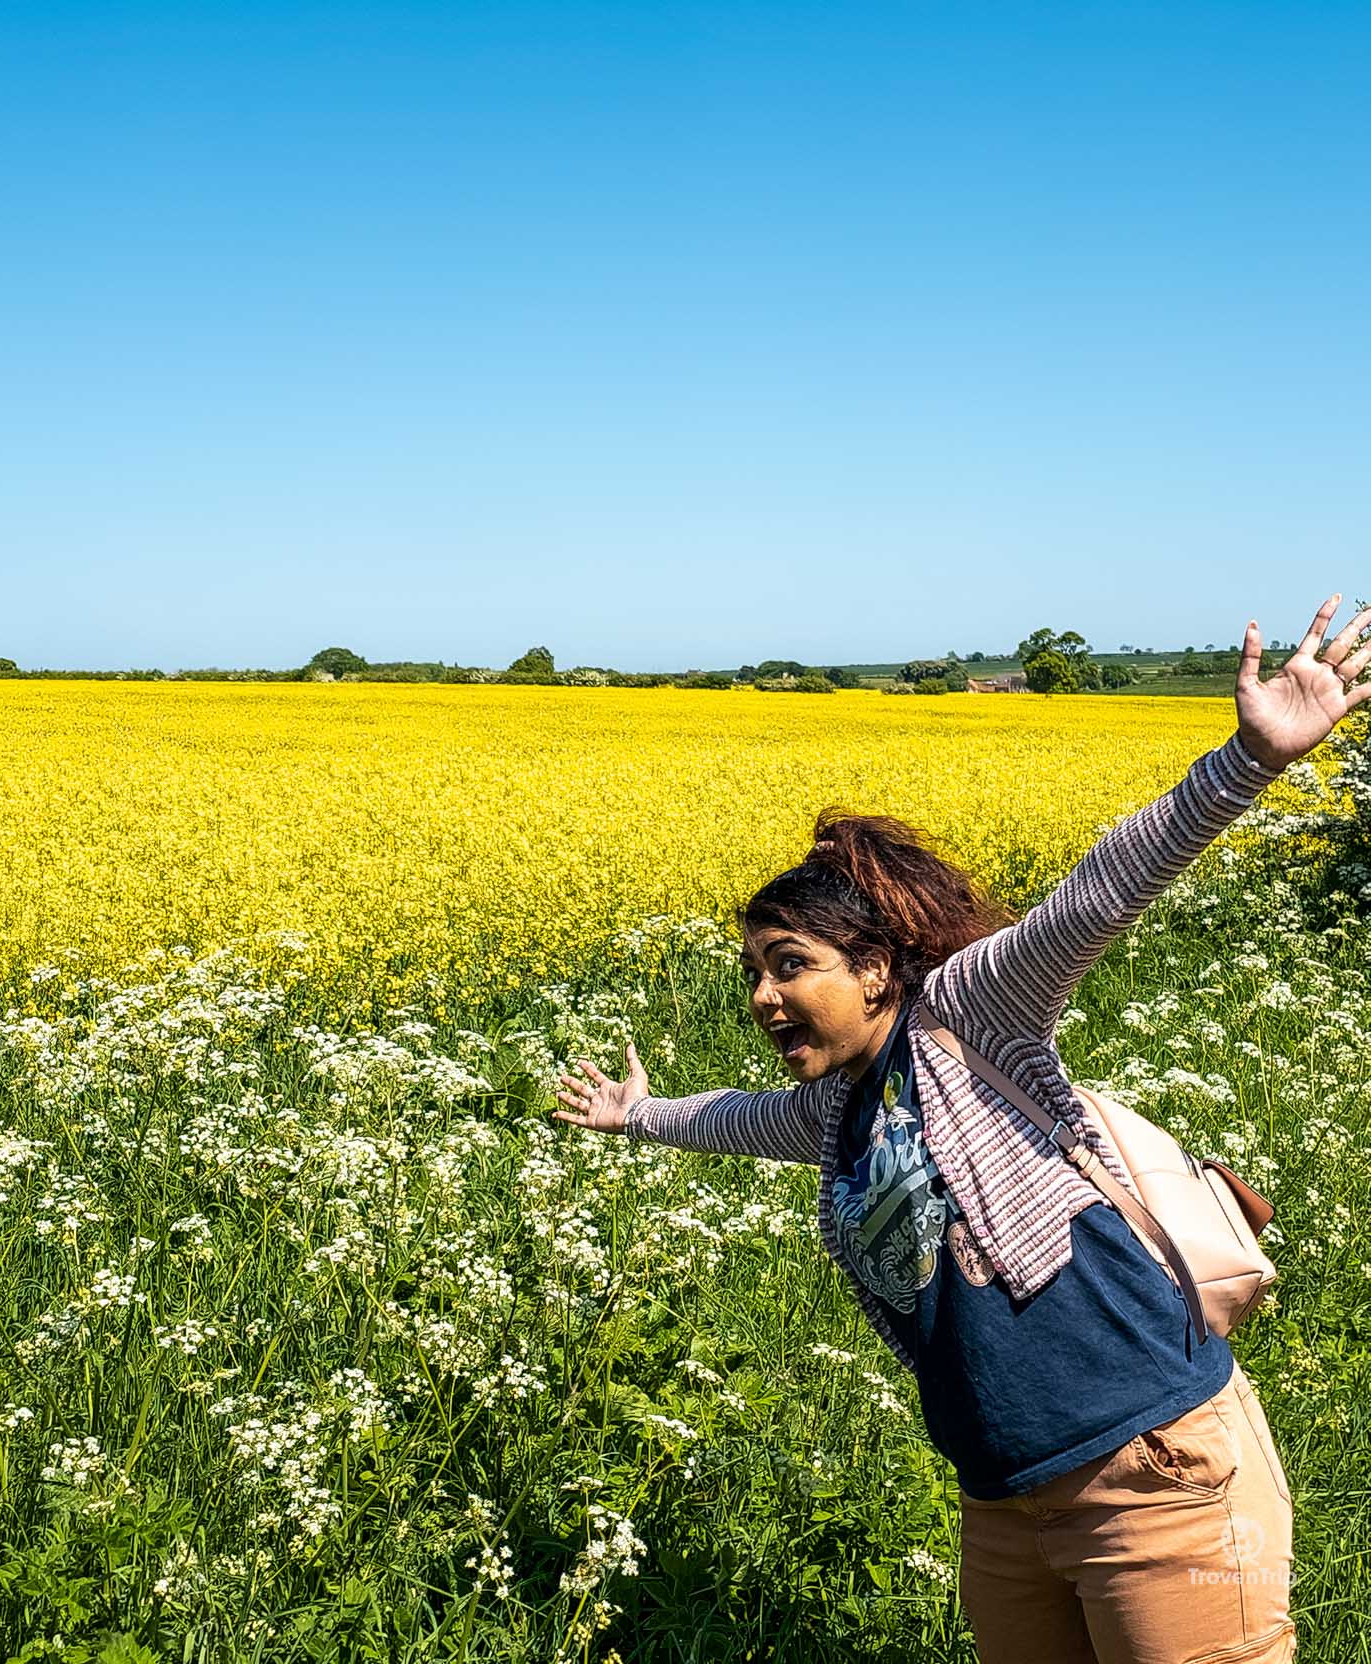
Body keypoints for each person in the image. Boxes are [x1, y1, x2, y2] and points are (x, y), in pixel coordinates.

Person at [554, 596, 1371, 1664]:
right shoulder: (836, 1110)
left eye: (789, 964)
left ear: (878, 969)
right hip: (1005, 1507)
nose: (761, 996)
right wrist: (640, 1117)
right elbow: (733, 1119)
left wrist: (1247, 763)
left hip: (1157, 1471)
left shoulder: (971, 1015)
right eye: (753, 971)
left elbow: (1097, 894)